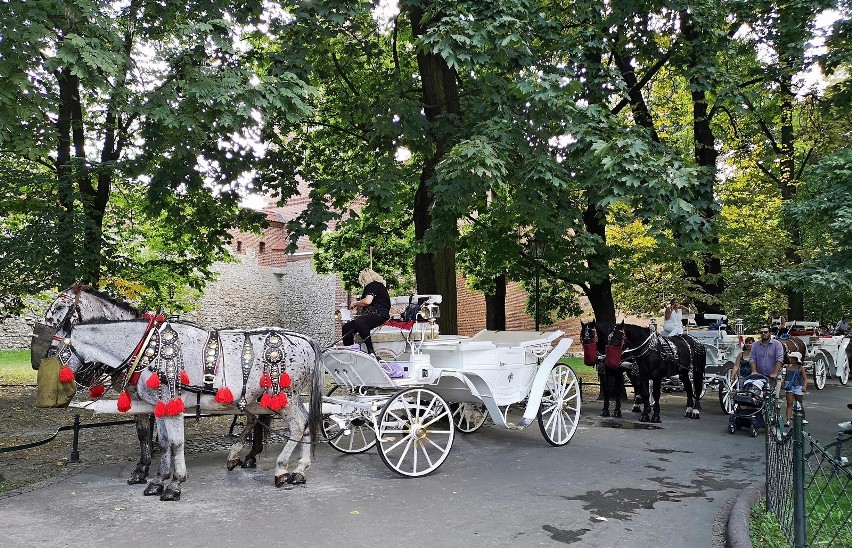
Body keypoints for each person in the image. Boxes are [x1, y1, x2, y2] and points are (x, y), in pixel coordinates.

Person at [340, 268, 391, 355]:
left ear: (364, 278)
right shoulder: (380, 286)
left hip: (379, 314)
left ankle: (370, 350)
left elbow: (368, 301)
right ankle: (350, 351)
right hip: (378, 314)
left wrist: (355, 303)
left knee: (360, 321)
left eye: (362, 281)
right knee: (347, 327)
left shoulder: (372, 285)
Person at [750, 326, 784, 392]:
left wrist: (775, 373)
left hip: (772, 376)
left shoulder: (777, 344)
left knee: (770, 396)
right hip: (759, 376)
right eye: (761, 332)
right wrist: (754, 371)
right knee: (757, 395)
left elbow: (779, 359)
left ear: (770, 333)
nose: (763, 334)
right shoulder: (755, 345)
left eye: (765, 332)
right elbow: (752, 359)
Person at [783, 351, 808, 427]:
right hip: (790, 386)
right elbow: (786, 377)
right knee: (789, 404)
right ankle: (788, 420)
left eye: (793, 358)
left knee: (799, 403)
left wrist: (804, 386)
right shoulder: (788, 367)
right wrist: (783, 383)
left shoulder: (801, 368)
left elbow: (805, 378)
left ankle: (802, 417)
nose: (791, 359)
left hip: (798, 386)